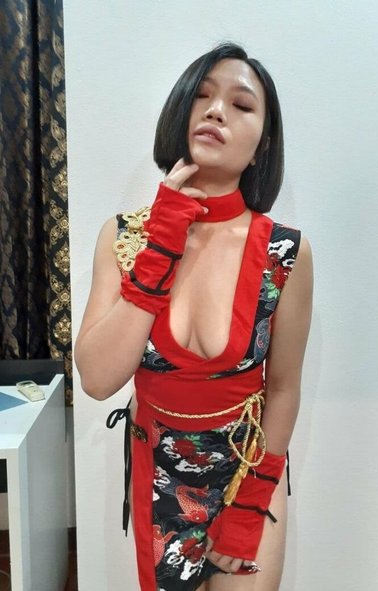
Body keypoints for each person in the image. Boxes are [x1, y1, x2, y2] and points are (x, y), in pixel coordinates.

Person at [75, 42, 313, 591]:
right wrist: (161, 244)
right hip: (157, 471)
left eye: (241, 104)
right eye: (202, 97)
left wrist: (250, 507)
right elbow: (98, 379)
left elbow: (282, 388)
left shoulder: (286, 253)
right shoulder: (125, 238)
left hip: (248, 471)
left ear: (262, 144)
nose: (216, 111)